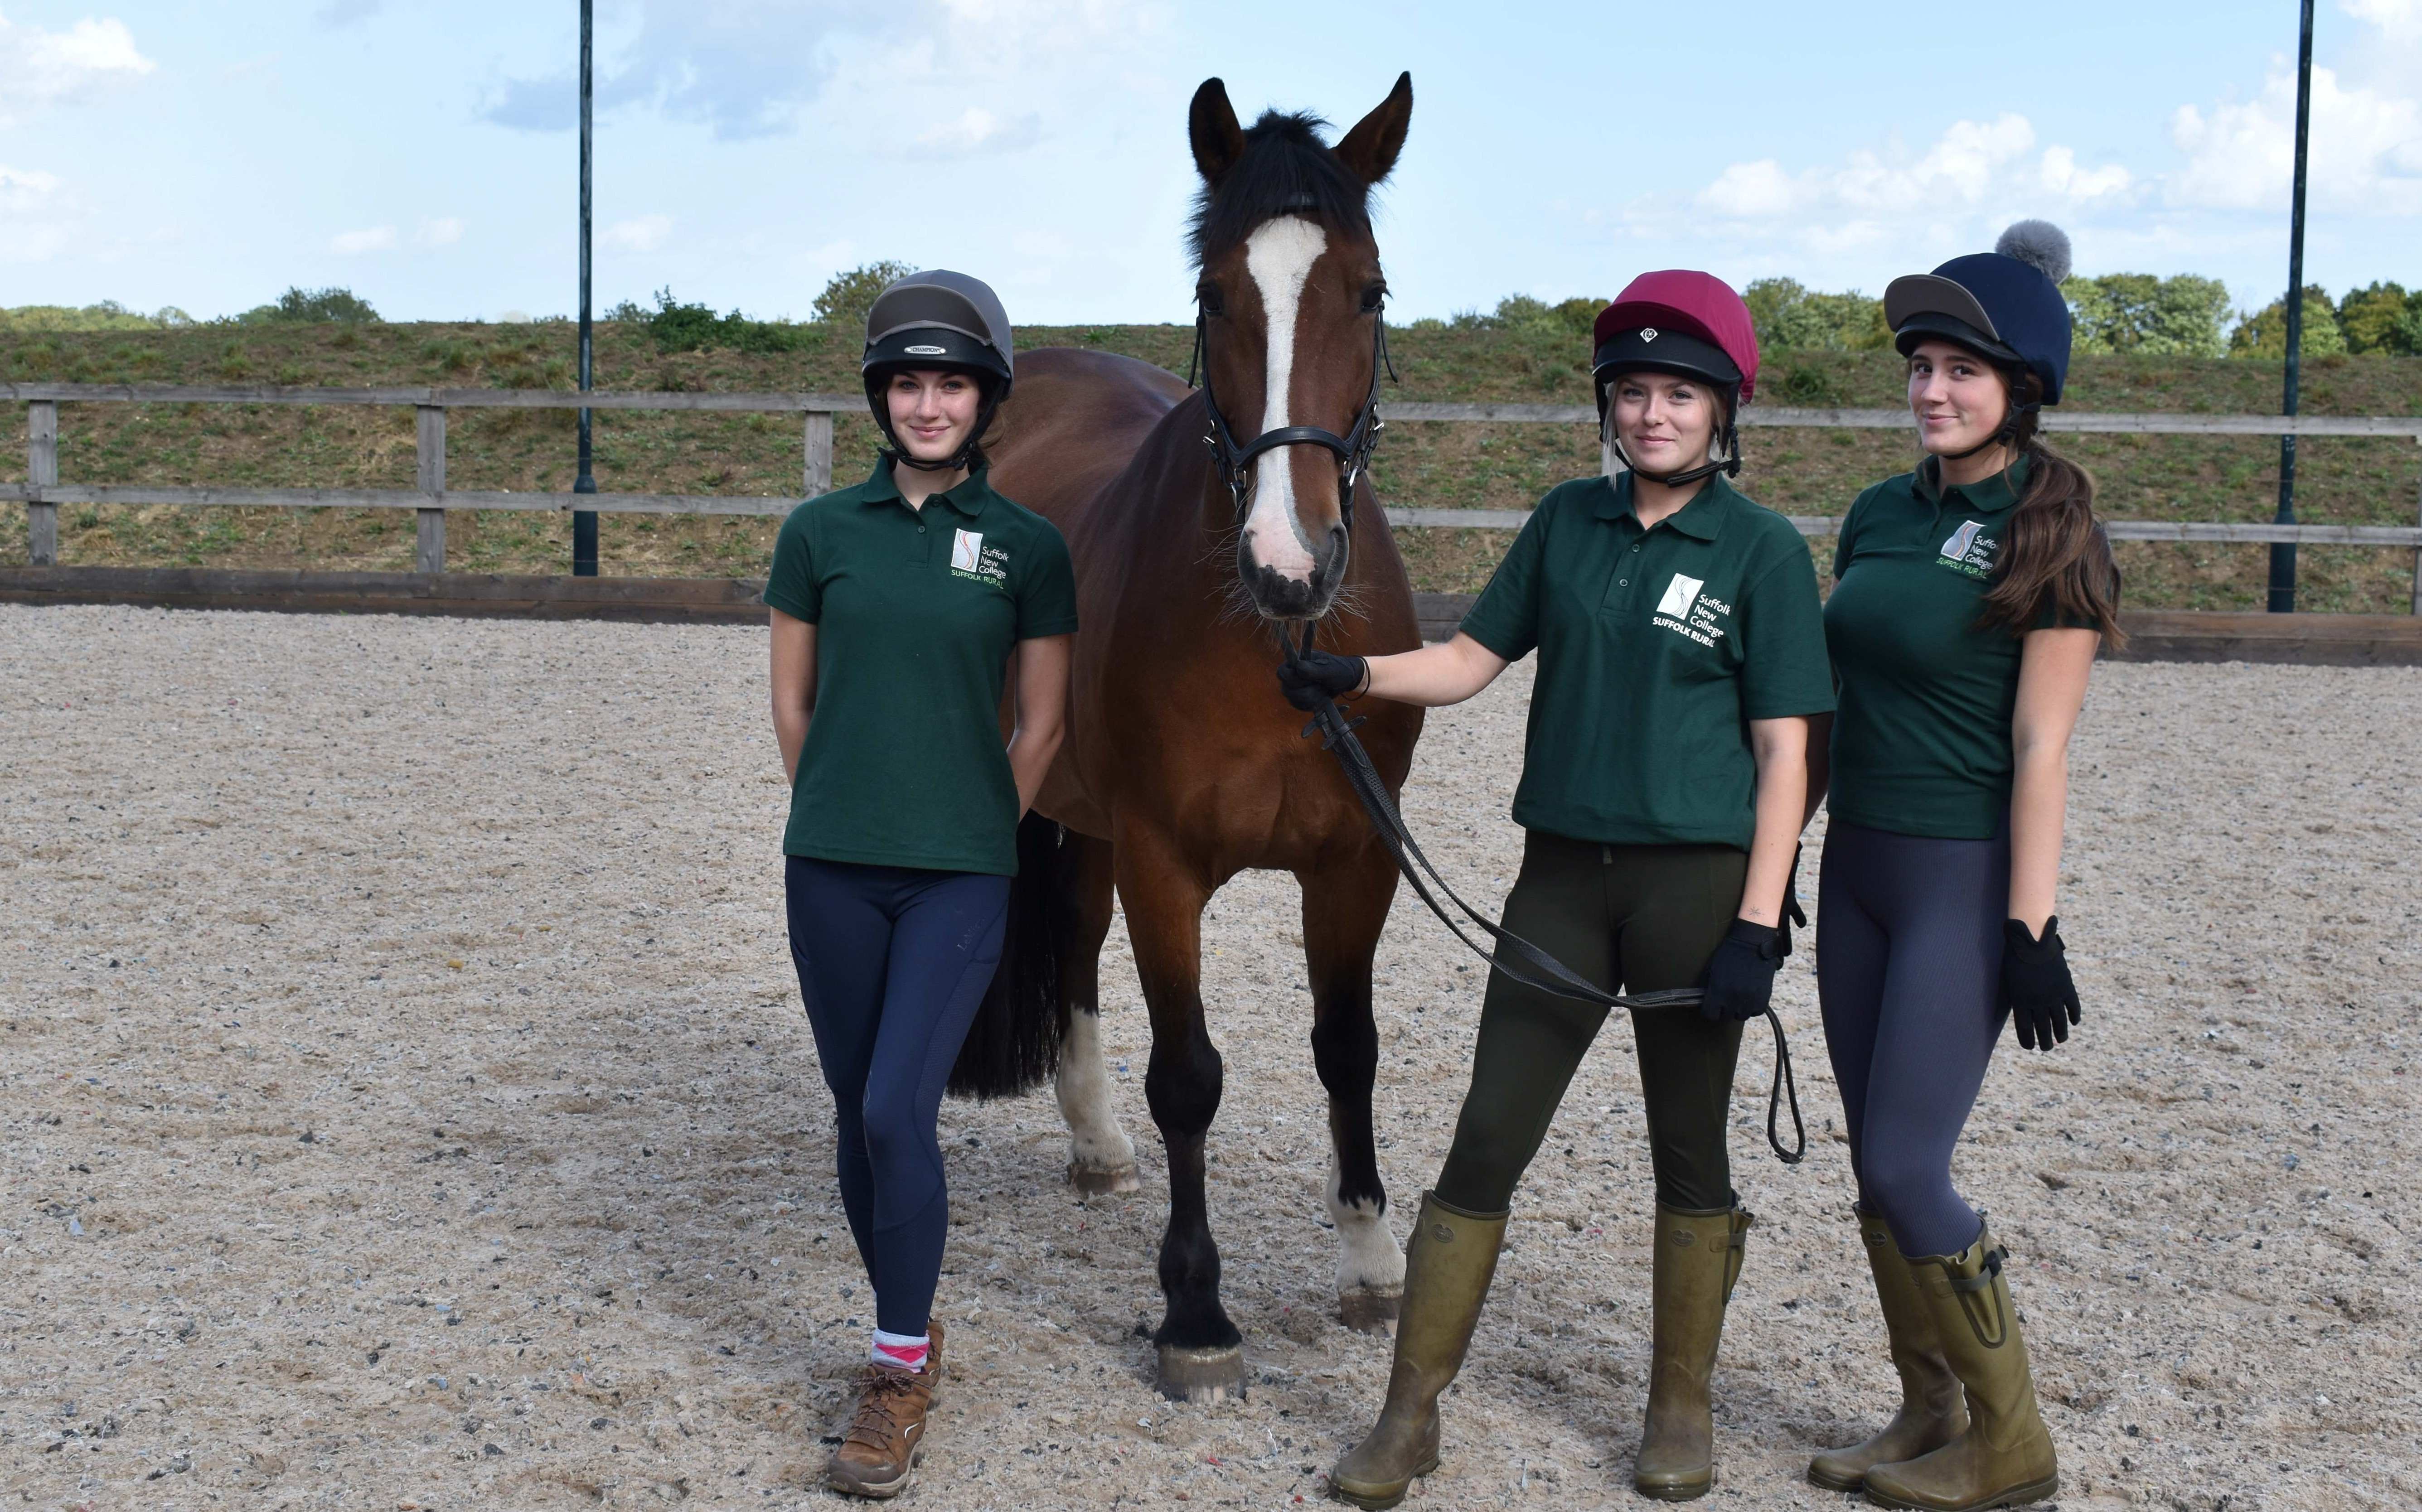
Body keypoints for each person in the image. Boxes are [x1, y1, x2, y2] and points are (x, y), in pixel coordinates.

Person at [1282, 272, 1836, 1506]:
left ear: (1722, 410)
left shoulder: (1760, 552)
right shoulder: (1565, 524)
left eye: (1679, 395)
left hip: (1696, 888)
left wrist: (1760, 917)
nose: (1652, 415)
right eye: (1633, 392)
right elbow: (1471, 659)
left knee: (1689, 1153)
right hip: (1561, 883)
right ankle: (1410, 1410)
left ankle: (1680, 1402)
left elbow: (1787, 750)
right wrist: (1353, 669)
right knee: (1488, 1134)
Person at [1806, 222, 2119, 1511]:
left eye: (1962, 371)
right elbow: (1824, 698)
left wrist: (2029, 925)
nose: (1931, 390)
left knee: (1906, 1164)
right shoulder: (1880, 512)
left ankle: (2013, 1437)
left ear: (2021, 389)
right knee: (1866, 1158)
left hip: (1957, 877)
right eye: (1921, 367)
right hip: (1855, 868)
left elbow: (2043, 741)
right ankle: (1927, 1404)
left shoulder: (2051, 529)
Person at [763, 270, 1076, 1500]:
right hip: (830, 866)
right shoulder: (819, 534)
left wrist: (967, 830)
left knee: (901, 1107)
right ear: (881, 397)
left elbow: (1044, 726)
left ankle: (895, 1370)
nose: (929, 401)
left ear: (986, 396)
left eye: (951, 382)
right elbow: (793, 702)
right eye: (909, 380)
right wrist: (840, 805)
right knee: (854, 1108)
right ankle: (911, 1320)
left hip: (959, 876)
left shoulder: (1029, 549)